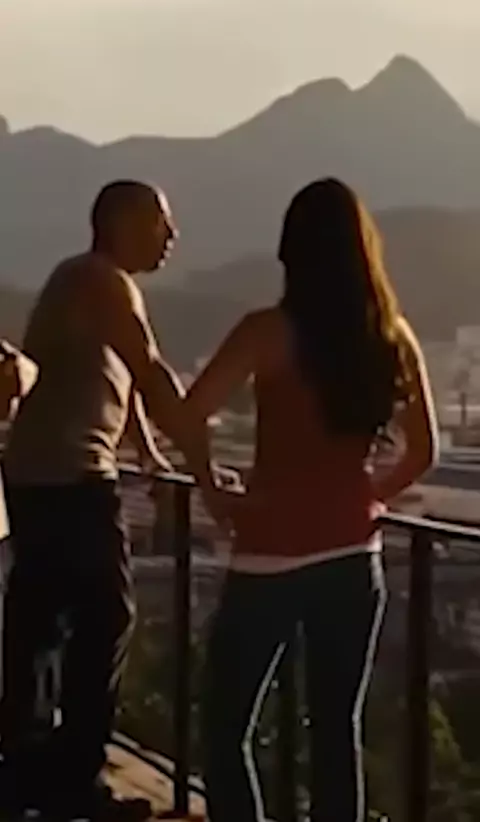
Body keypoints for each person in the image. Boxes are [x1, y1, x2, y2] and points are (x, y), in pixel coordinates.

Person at [185, 179, 438, 822]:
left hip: (269, 552)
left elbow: (191, 413)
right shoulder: (391, 335)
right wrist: (365, 496)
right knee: (335, 729)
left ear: (290, 250)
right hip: (354, 555)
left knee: (225, 726)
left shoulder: (265, 331)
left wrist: (213, 489)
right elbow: (423, 451)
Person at [0, 181, 226, 821]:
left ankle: (26, 770)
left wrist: (149, 452)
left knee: (41, 621)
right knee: (104, 619)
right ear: (123, 223)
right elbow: (149, 372)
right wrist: (203, 469)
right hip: (71, 478)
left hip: (39, 474)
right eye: (161, 222)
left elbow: (113, 382)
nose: (171, 235)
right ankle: (75, 777)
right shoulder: (102, 281)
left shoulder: (85, 280)